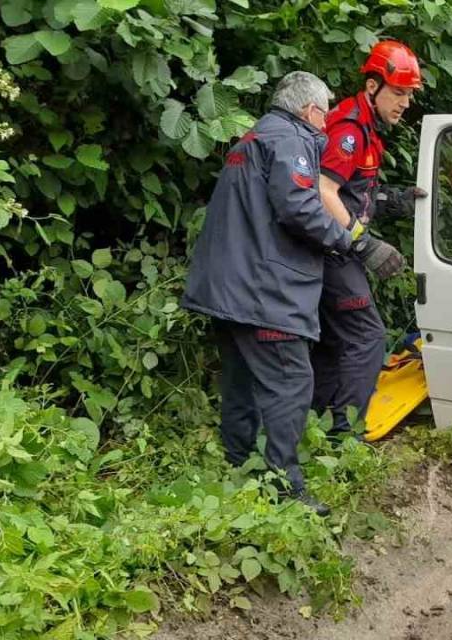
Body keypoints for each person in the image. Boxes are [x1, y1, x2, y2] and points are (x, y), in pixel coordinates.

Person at [181, 71, 401, 517]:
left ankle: (238, 466)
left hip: (226, 288)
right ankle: (284, 488)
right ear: (310, 110)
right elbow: (300, 207)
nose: (326, 126)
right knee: (292, 383)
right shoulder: (291, 139)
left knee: (241, 382)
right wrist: (354, 242)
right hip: (264, 292)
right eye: (324, 115)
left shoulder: (255, 136)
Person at [311, 39, 425, 435]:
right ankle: (345, 435)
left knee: (333, 343)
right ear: (373, 87)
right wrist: (365, 244)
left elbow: (351, 192)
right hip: (332, 250)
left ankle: (319, 427)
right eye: (399, 92)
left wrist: (392, 199)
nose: (405, 103)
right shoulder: (349, 129)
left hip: (332, 249)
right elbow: (323, 192)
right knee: (368, 338)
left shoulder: (366, 126)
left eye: (409, 94)